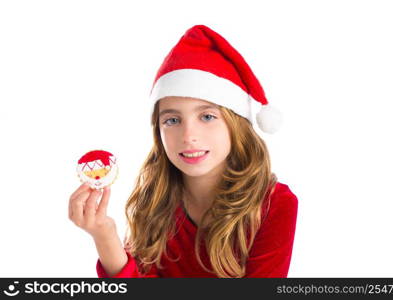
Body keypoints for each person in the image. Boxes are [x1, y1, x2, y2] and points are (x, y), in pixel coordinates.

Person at [68, 24, 298, 278]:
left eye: (207, 116)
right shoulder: (153, 201)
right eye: (173, 120)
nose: (189, 136)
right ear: (159, 131)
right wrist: (105, 236)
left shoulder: (274, 205)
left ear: (236, 125)